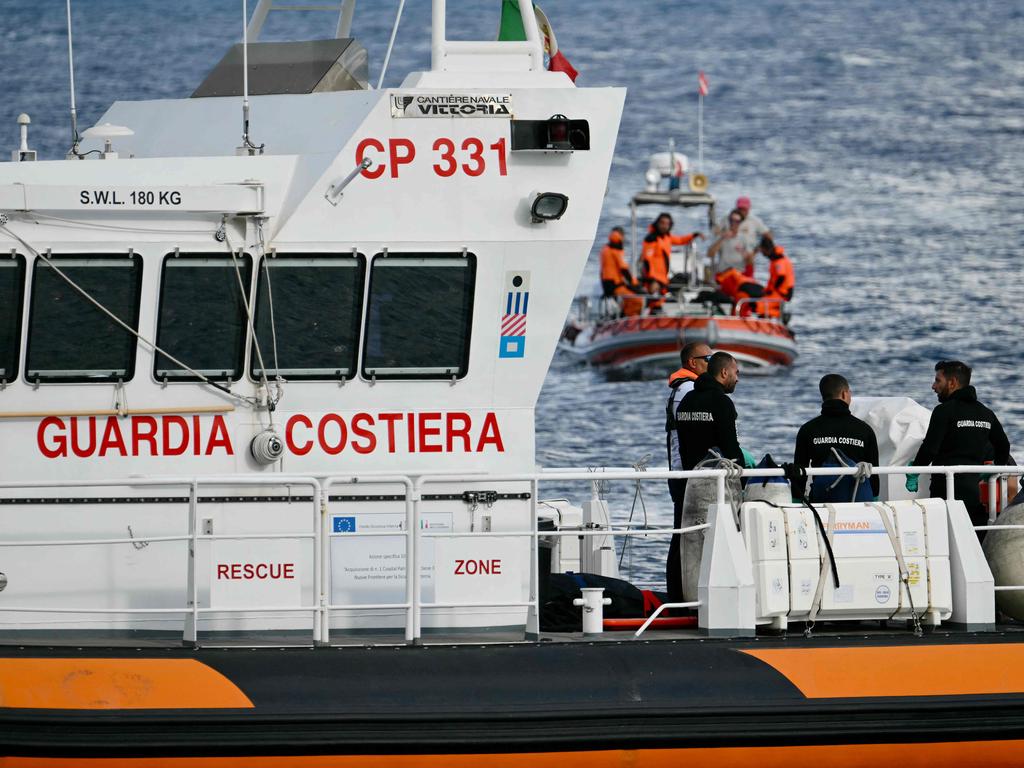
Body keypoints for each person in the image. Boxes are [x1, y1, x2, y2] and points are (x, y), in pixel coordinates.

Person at [908, 361, 1011, 529]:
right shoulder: (986, 413)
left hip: (944, 493)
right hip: (972, 493)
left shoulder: (944, 411)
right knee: (971, 532)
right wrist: (993, 469)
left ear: (952, 383)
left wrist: (914, 471)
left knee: (942, 535)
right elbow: (1003, 446)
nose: (933, 386)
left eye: (937, 380)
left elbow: (930, 449)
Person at [664, 341, 712, 602]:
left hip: (684, 471)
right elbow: (690, 431)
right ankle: (679, 597)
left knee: (683, 535)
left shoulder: (683, 388)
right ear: (693, 363)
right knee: (682, 536)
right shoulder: (688, 389)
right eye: (708, 359)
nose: (712, 363)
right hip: (686, 474)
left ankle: (680, 596)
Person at [794, 374, 880, 501]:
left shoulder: (808, 429)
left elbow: (799, 472)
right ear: (845, 394)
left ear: (823, 396)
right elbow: (873, 473)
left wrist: (796, 501)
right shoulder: (864, 430)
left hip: (821, 500)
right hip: (858, 501)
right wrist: (874, 500)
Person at [675, 352, 744, 471]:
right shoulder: (722, 402)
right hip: (715, 481)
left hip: (688, 479)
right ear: (724, 372)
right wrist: (743, 480)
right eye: (736, 373)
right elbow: (731, 447)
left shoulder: (686, 400)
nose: (737, 379)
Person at [641, 213, 703, 309]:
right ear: (657, 223)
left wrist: (694, 235)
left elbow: (681, 240)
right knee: (652, 301)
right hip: (653, 278)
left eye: (667, 224)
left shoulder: (667, 237)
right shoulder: (651, 238)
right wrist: (652, 279)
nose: (664, 226)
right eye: (662, 223)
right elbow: (647, 260)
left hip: (663, 278)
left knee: (660, 301)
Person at [599, 227, 642, 316]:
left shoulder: (605, 249)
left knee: (627, 300)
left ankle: (623, 315)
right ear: (621, 236)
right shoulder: (616, 249)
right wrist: (634, 283)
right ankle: (629, 319)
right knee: (638, 300)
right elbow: (623, 268)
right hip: (615, 284)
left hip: (608, 285)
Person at [707, 210, 754, 278]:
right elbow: (709, 254)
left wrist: (745, 253)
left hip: (739, 274)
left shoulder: (744, 238)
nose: (733, 223)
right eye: (731, 220)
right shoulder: (721, 237)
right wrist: (722, 238)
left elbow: (750, 261)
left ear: (740, 223)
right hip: (724, 274)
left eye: (736, 221)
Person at [757, 235, 795, 318]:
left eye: (762, 250)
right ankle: (776, 314)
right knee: (760, 301)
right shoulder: (775, 259)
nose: (761, 252)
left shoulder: (779, 261)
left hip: (782, 293)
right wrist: (767, 291)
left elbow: (781, 277)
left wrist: (772, 290)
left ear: (766, 249)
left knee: (759, 307)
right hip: (778, 292)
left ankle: (781, 315)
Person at [734, 196, 771, 277]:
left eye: (745, 209)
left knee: (747, 283)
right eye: (740, 209)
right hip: (731, 260)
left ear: (749, 209)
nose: (742, 211)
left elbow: (768, 235)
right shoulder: (730, 219)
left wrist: (757, 249)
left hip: (747, 260)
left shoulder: (754, 221)